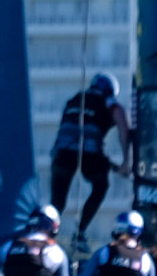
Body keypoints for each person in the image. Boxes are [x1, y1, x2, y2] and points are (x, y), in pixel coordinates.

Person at [50, 73, 134, 236]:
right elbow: (123, 126)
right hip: (89, 155)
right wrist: (126, 161)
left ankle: (44, 231)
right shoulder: (108, 101)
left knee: (57, 202)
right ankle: (80, 233)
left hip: (62, 153)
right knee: (101, 186)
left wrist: (114, 167)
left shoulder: (75, 99)